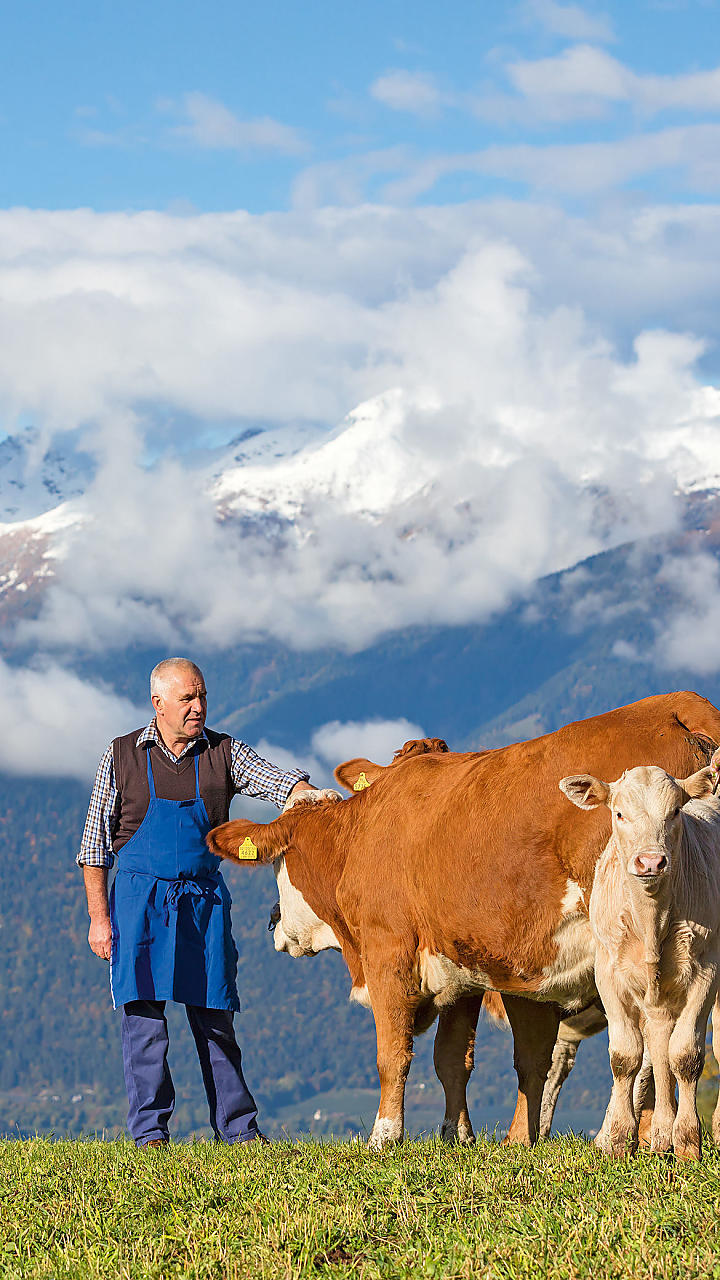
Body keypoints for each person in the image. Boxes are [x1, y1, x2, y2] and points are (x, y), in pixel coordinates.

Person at [78, 656, 317, 1148]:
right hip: (138, 903)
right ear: (158, 703)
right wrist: (99, 919)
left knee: (214, 1017)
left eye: (202, 696)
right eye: (187, 698)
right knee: (142, 1021)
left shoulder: (223, 753)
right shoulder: (121, 755)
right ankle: (150, 1135)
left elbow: (275, 781)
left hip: (202, 902)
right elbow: (94, 847)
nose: (198, 707)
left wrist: (306, 793)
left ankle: (239, 1131)